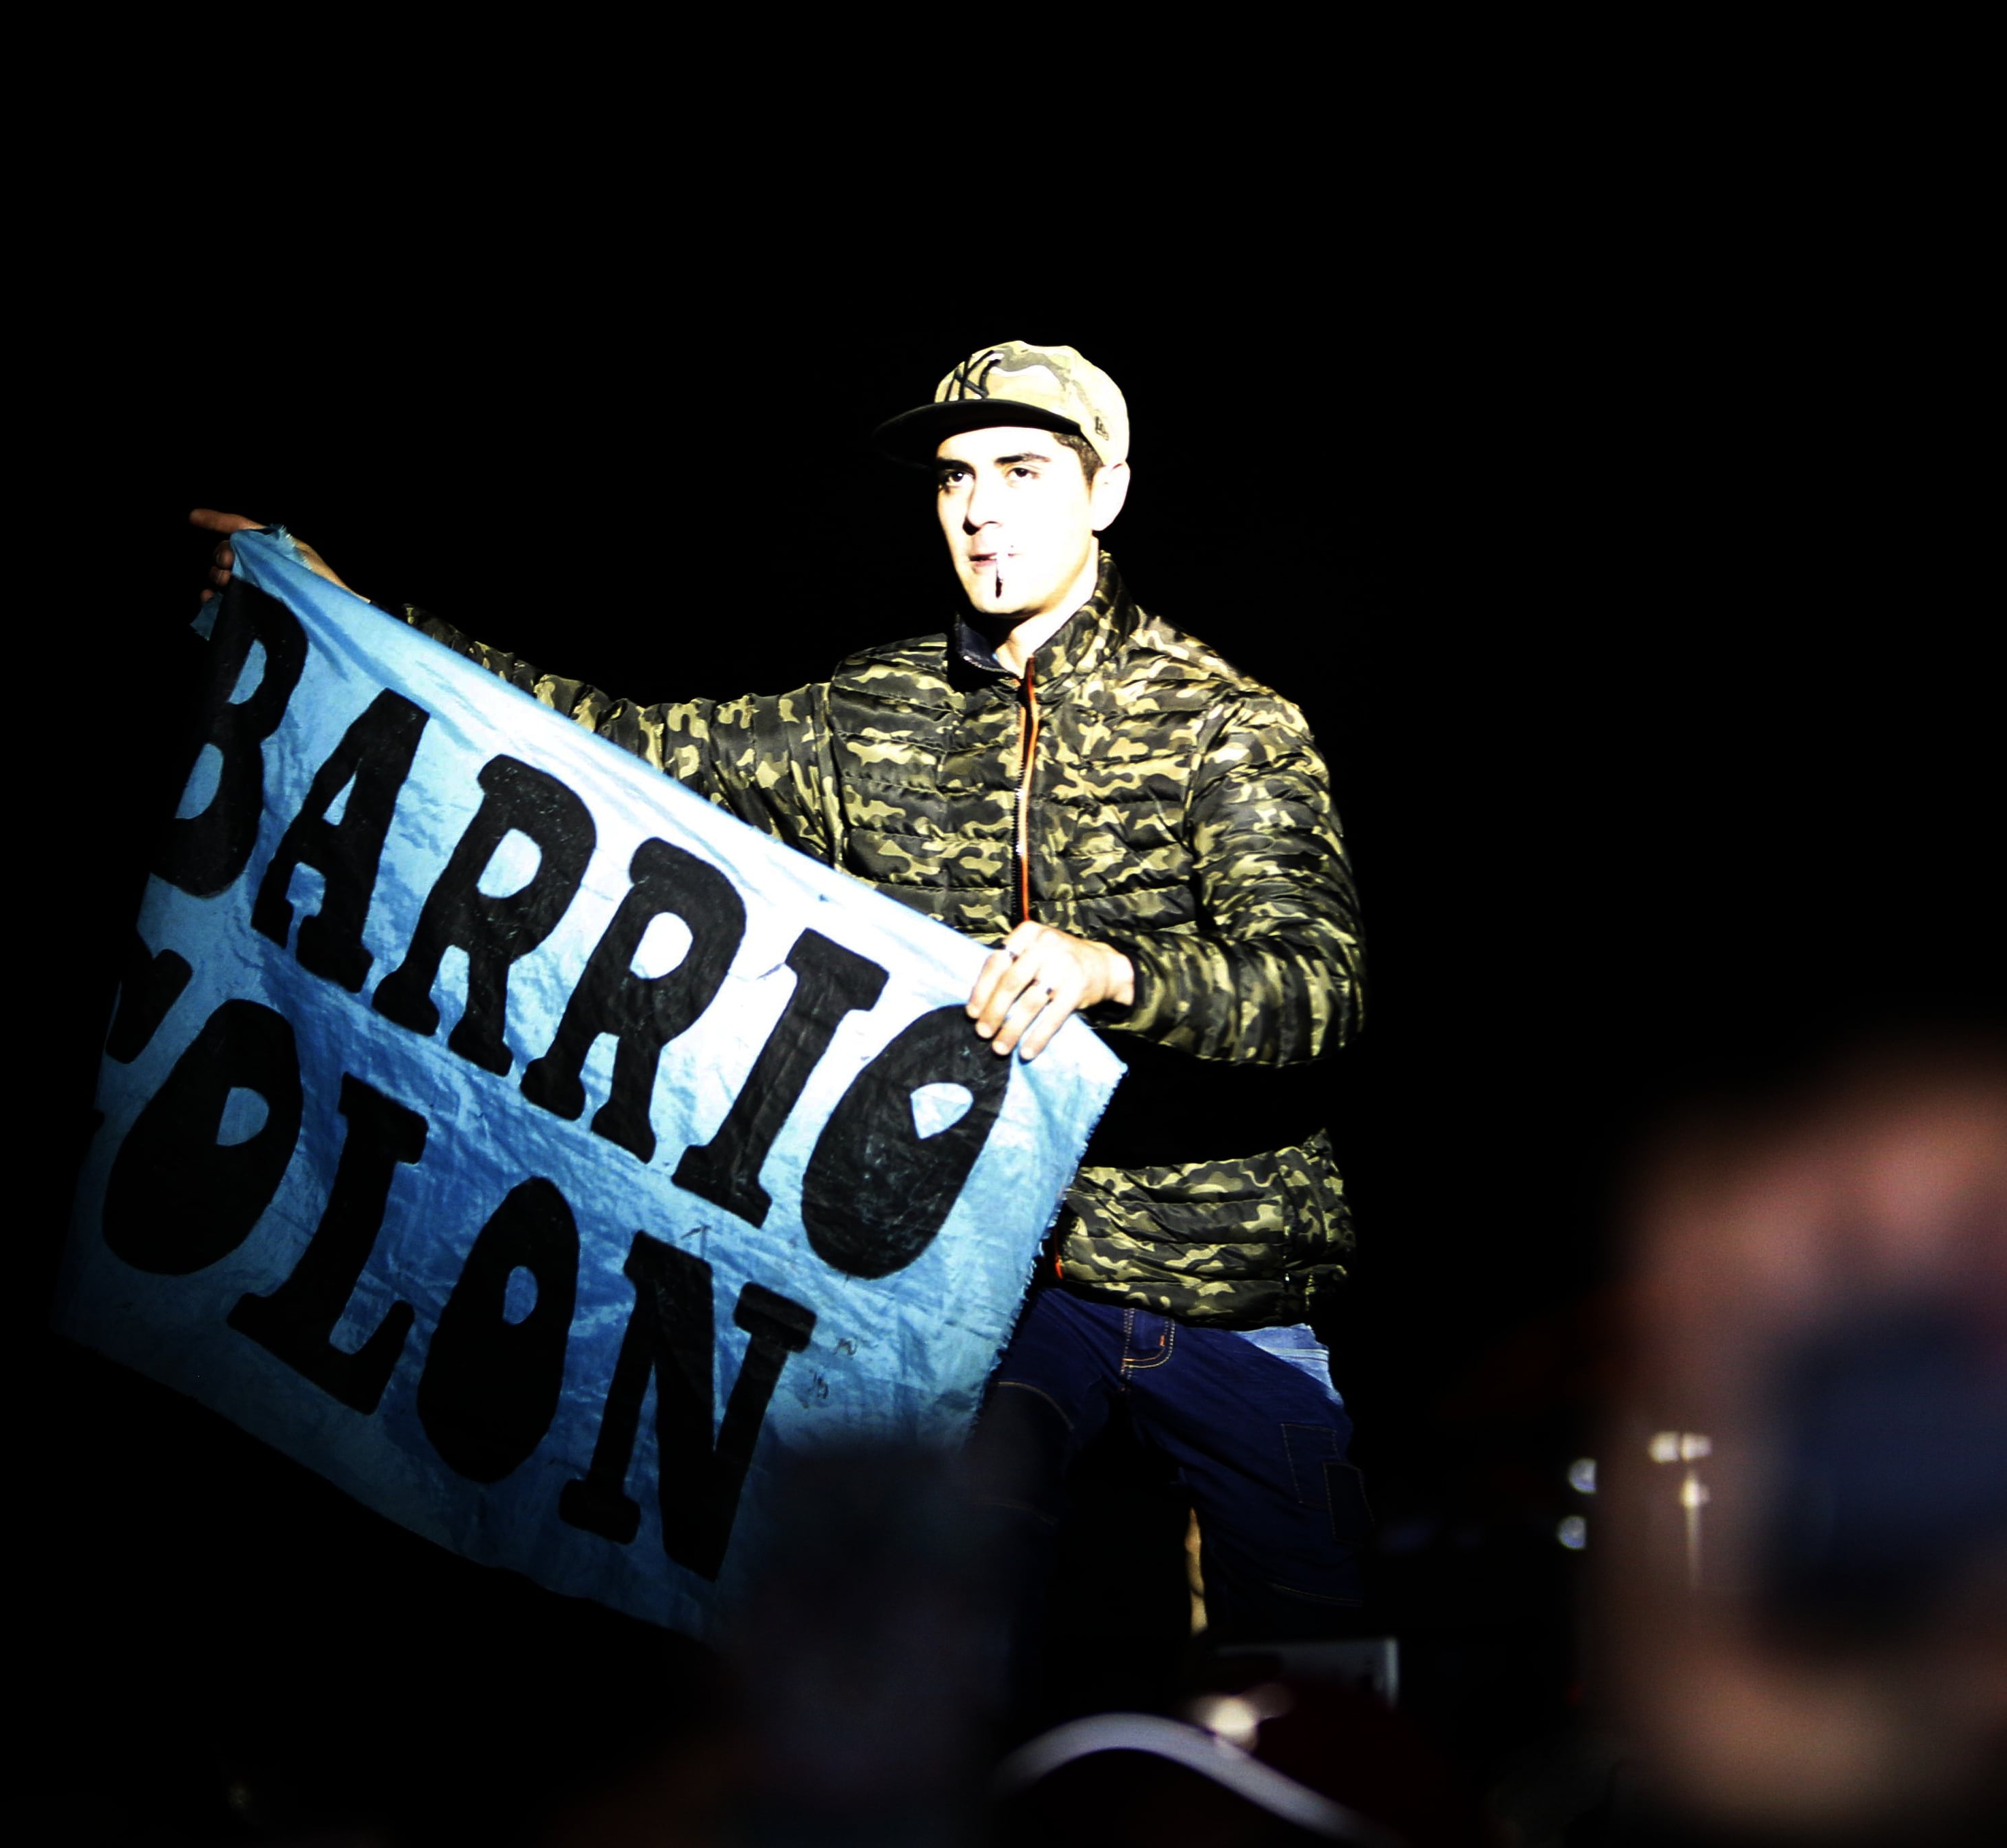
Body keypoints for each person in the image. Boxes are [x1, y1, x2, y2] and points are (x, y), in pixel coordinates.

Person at [192, 340, 1375, 1680]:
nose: (981, 509)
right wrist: (359, 623)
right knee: (927, 1659)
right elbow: (618, 748)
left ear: (1103, 493)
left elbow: (1318, 992)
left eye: (1023, 471)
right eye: (955, 477)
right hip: (986, 1291)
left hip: (1221, 1279)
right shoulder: (869, 710)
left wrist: (1116, 972)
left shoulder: (1224, 723)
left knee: (1320, 1647)